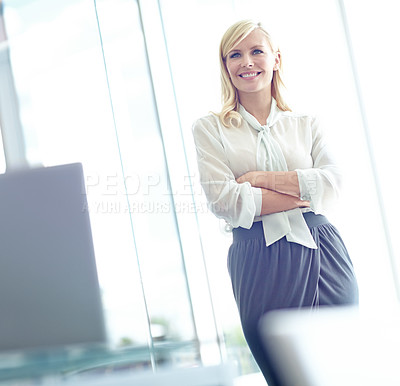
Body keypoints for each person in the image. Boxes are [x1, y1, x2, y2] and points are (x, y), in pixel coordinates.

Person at [192, 20, 359, 385]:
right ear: (225, 66)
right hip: (258, 257)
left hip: (324, 253)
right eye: (234, 54)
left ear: (276, 59)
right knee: (285, 376)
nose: (246, 62)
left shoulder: (306, 123)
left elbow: (333, 185)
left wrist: (258, 181)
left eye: (256, 51)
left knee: (342, 372)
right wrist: (305, 191)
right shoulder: (210, 128)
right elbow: (225, 202)